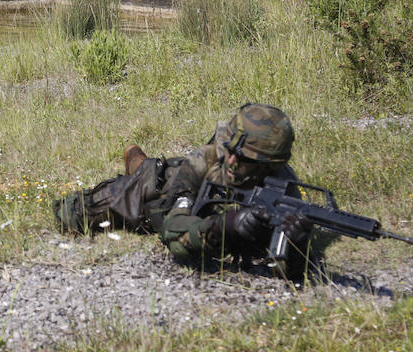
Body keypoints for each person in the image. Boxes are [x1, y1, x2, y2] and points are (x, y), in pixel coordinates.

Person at [52, 103, 314, 280]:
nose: (232, 161)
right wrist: (223, 226)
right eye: (231, 151)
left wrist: (297, 247)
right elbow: (172, 230)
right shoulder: (206, 159)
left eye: (245, 159)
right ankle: (136, 157)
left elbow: (285, 268)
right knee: (70, 214)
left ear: (271, 165)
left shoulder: (285, 190)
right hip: (157, 192)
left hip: (189, 195)